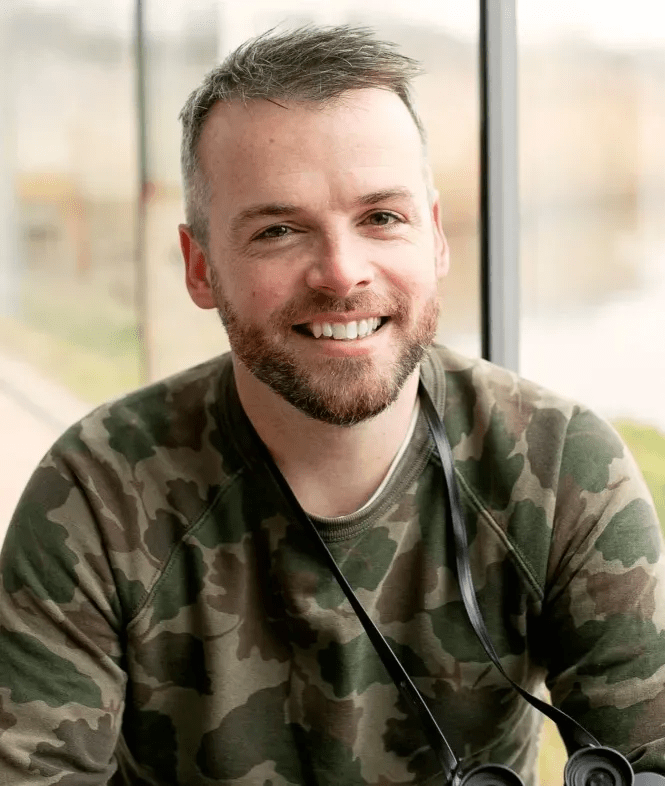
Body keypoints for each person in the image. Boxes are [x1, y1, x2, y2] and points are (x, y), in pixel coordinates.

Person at [1, 24, 664, 786]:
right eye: (278, 230)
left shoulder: (559, 465)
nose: (342, 273)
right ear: (200, 267)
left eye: (382, 217)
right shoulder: (95, 492)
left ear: (436, 239)